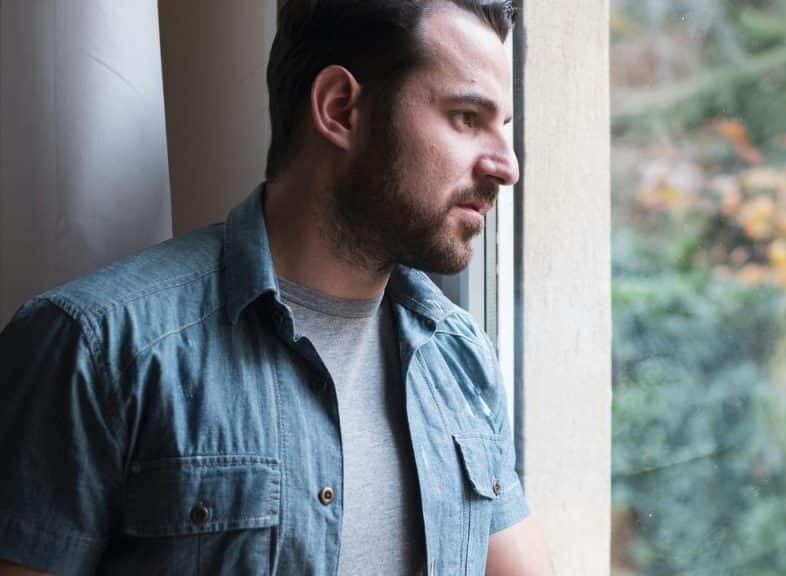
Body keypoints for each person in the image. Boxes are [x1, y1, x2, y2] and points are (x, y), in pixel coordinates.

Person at [0, 1, 553, 574]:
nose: (507, 165)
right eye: (467, 117)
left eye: (502, 128)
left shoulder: (459, 357)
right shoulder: (95, 348)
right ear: (340, 109)